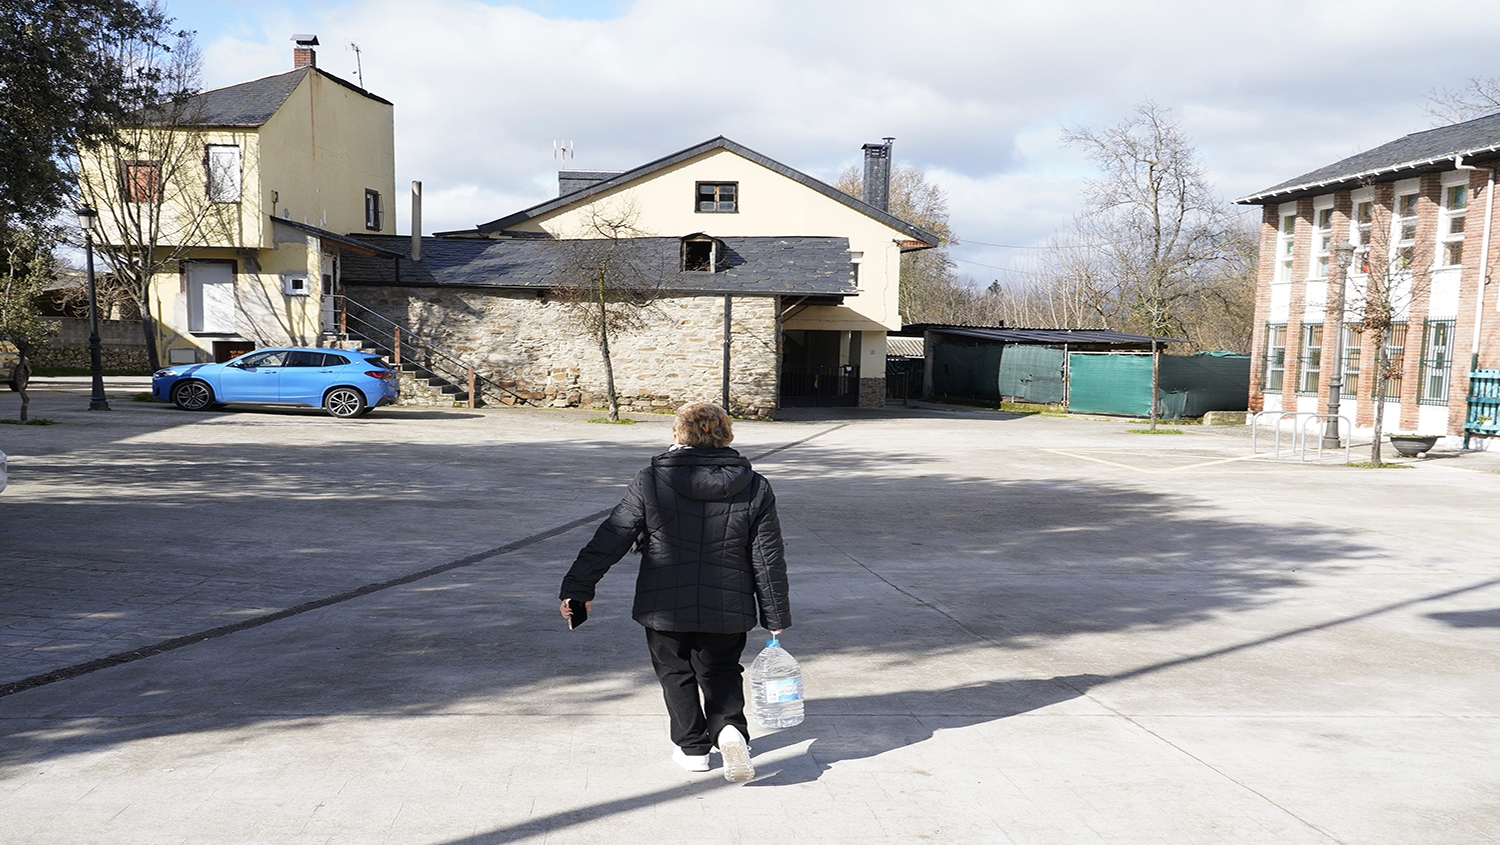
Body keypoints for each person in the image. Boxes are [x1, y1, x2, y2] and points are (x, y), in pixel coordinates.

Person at [560, 402, 790, 783]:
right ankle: (730, 731)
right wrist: (775, 616)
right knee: (721, 670)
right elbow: (767, 556)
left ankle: (693, 749)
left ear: (677, 434)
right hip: (728, 602)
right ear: (726, 435)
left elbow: (613, 536)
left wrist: (578, 587)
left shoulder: (650, 480)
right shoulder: (754, 485)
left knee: (675, 672)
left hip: (663, 603)